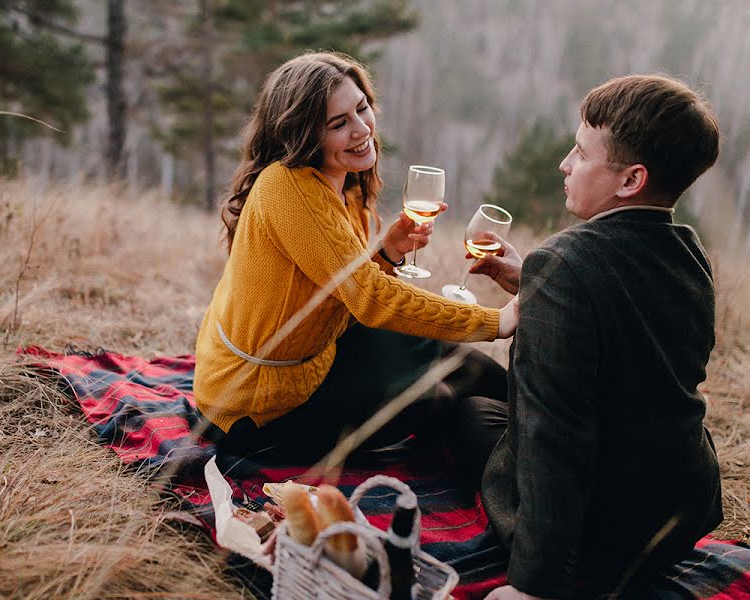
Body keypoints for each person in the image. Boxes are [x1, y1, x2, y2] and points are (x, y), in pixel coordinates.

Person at [193, 51, 517, 473]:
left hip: (316, 355)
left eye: (362, 108)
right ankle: (516, 456)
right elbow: (370, 298)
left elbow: (337, 289)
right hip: (255, 411)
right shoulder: (287, 189)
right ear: (303, 135)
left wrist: (385, 254)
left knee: (457, 359)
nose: (362, 128)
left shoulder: (340, 185)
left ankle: (552, 422)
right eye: (338, 123)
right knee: (435, 399)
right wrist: (497, 322)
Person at [471, 75, 723, 599]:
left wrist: (532, 586)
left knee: (467, 415)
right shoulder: (686, 250)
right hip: (679, 514)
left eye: (581, 154)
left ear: (630, 179)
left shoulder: (564, 262)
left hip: (603, 532)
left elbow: (553, 434)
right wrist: (535, 285)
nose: (565, 164)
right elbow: (635, 334)